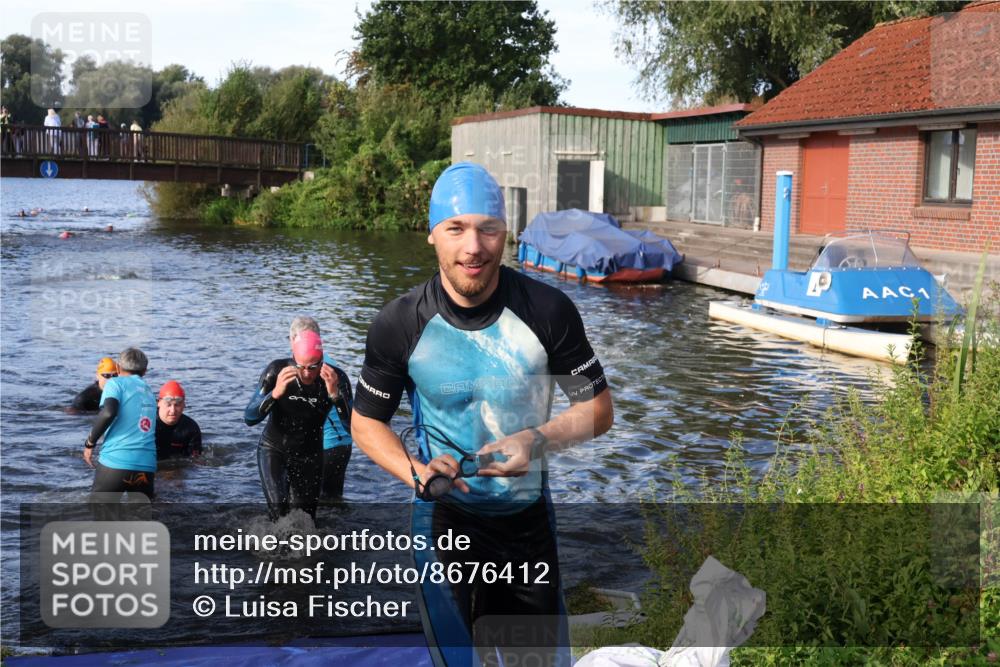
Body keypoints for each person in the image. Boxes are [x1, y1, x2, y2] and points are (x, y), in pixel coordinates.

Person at [351, 162, 614, 667]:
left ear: (505, 234)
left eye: (487, 229)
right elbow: (366, 421)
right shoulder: (400, 324)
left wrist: (537, 441)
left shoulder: (548, 311)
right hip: (444, 515)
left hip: (526, 521)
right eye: (456, 229)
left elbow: (598, 410)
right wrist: (416, 472)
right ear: (432, 234)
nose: (473, 246)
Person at [244, 330, 345, 520]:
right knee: (279, 514)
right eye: (301, 367)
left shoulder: (335, 378)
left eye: (313, 367)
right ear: (293, 358)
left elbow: (351, 427)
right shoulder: (276, 371)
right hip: (274, 449)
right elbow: (249, 417)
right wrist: (275, 394)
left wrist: (335, 397)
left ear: (322, 360)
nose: (307, 373)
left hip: (310, 456)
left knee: (305, 521)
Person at [288, 316, 354, 498]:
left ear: (293, 340)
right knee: (333, 503)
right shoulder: (334, 368)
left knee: (302, 506)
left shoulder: (298, 370)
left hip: (321, 447)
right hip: (343, 446)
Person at [83, 348, 157, 500]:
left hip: (115, 463)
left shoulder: (115, 383)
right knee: (140, 521)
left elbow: (108, 412)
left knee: (101, 518)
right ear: (145, 371)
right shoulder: (149, 392)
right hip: (146, 467)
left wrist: (90, 443)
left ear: (117, 368)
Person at [155, 380, 203, 460]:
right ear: (159, 403)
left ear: (184, 405)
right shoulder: (147, 423)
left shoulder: (191, 428)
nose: (173, 410)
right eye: (168, 405)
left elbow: (195, 460)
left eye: (177, 405)